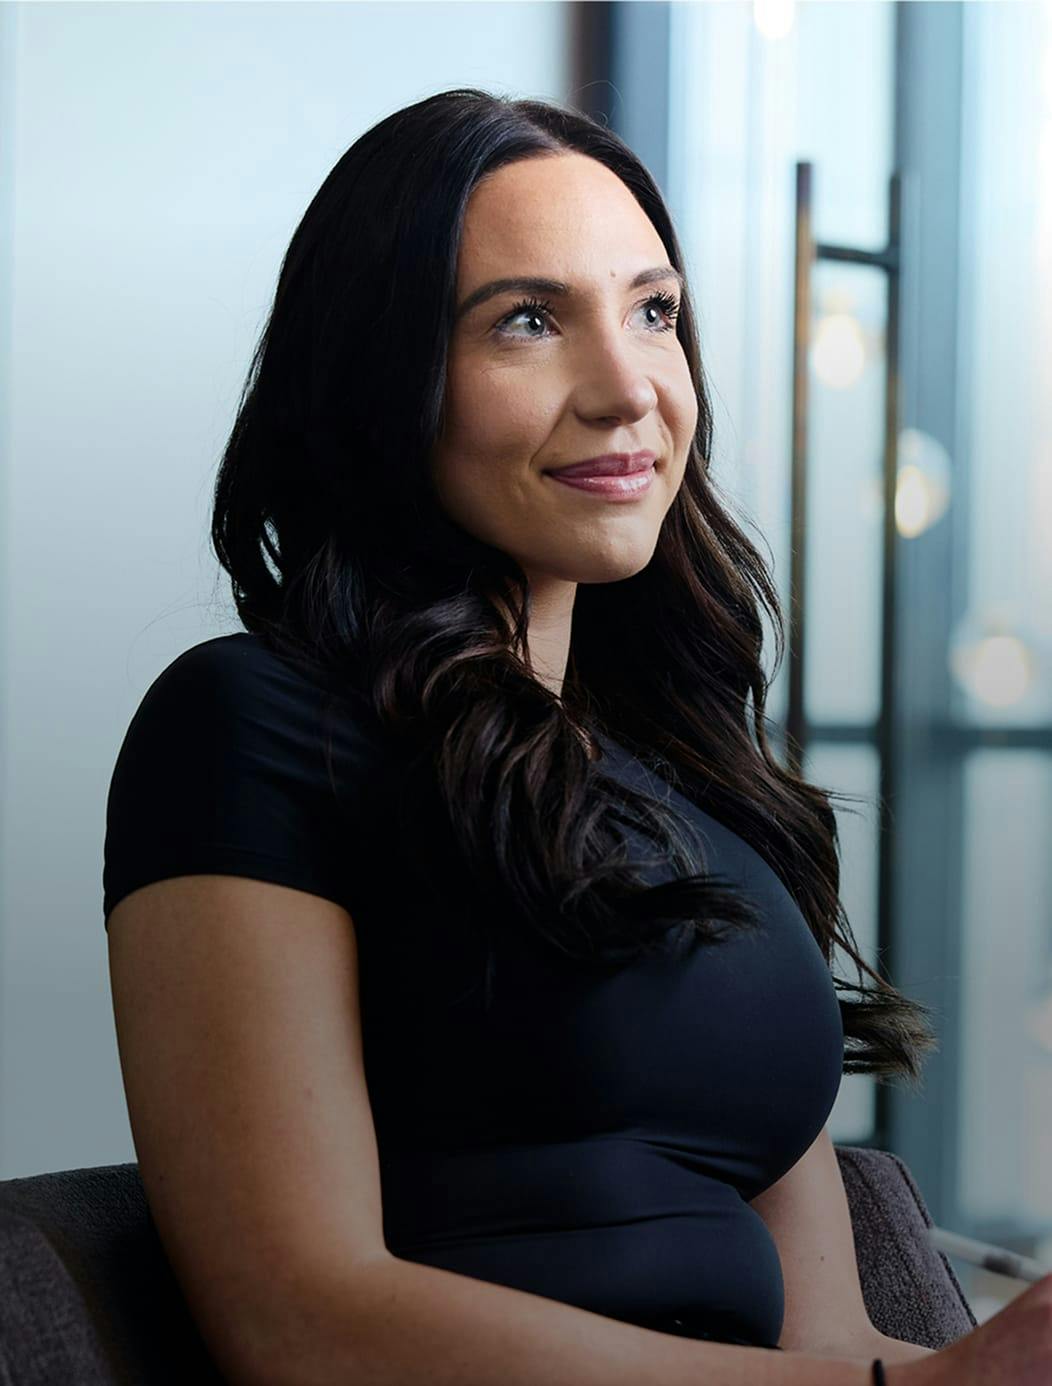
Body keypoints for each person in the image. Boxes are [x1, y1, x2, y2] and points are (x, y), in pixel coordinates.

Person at [103, 88, 1052, 1386]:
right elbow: (303, 1322)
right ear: (386, 376)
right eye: (530, 320)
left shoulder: (708, 793)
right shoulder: (246, 726)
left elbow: (828, 1349)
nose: (628, 389)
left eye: (654, 311)